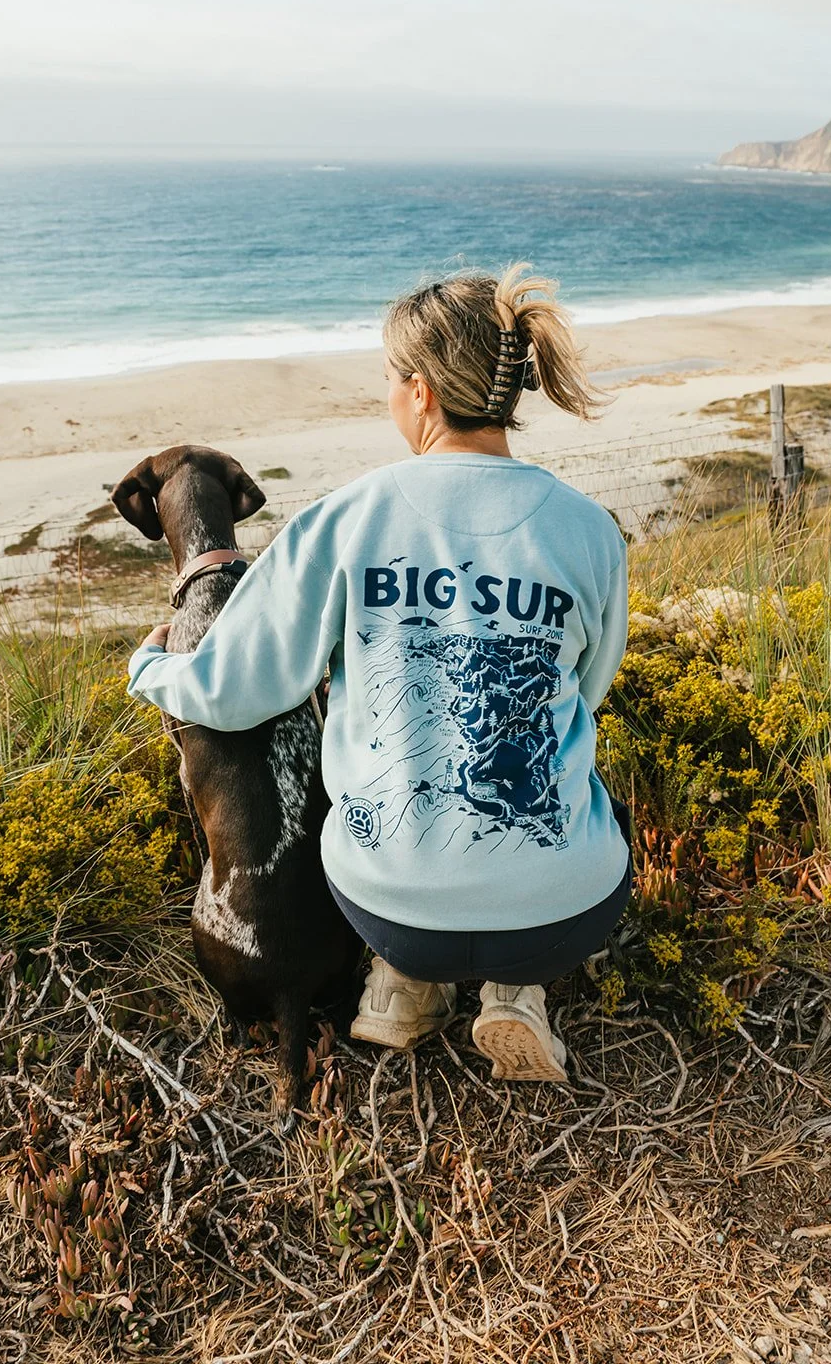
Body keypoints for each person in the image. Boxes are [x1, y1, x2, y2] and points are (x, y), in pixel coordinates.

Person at [127, 264, 631, 1081]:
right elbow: (586, 690)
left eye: (392, 380)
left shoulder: (343, 519)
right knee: (576, 795)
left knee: (388, 811)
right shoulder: (587, 530)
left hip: (388, 910)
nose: (391, 396)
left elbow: (234, 691)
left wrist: (150, 666)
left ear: (420, 393)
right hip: (558, 917)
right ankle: (517, 992)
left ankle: (401, 986)